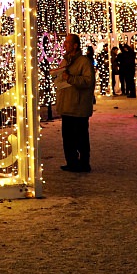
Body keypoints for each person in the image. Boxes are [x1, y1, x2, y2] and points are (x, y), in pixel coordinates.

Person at [55, 33, 95, 172]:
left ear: (75, 45)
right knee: (68, 138)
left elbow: (88, 81)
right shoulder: (65, 61)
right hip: (66, 106)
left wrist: (70, 78)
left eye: (67, 42)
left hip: (78, 107)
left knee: (81, 138)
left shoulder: (84, 62)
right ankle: (71, 162)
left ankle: (84, 163)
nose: (64, 44)